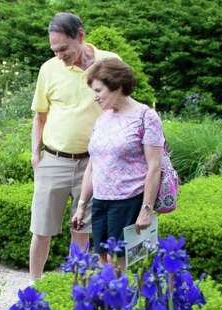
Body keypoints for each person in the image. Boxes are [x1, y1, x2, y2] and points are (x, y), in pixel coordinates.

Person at [28, 12, 119, 281]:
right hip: (53, 159)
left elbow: (122, 107)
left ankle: (75, 286)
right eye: (54, 50)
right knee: (41, 229)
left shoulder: (110, 63)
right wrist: (36, 154)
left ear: (80, 35)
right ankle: (34, 283)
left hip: (94, 162)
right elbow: (39, 115)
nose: (59, 55)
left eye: (63, 48)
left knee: (82, 229)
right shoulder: (49, 69)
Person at [71, 58, 177, 258]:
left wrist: (146, 209)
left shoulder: (145, 116)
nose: (95, 97)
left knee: (122, 264)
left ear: (117, 86)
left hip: (129, 201)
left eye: (98, 90)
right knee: (103, 260)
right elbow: (92, 167)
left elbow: (154, 167)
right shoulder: (102, 119)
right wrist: (82, 206)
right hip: (101, 201)